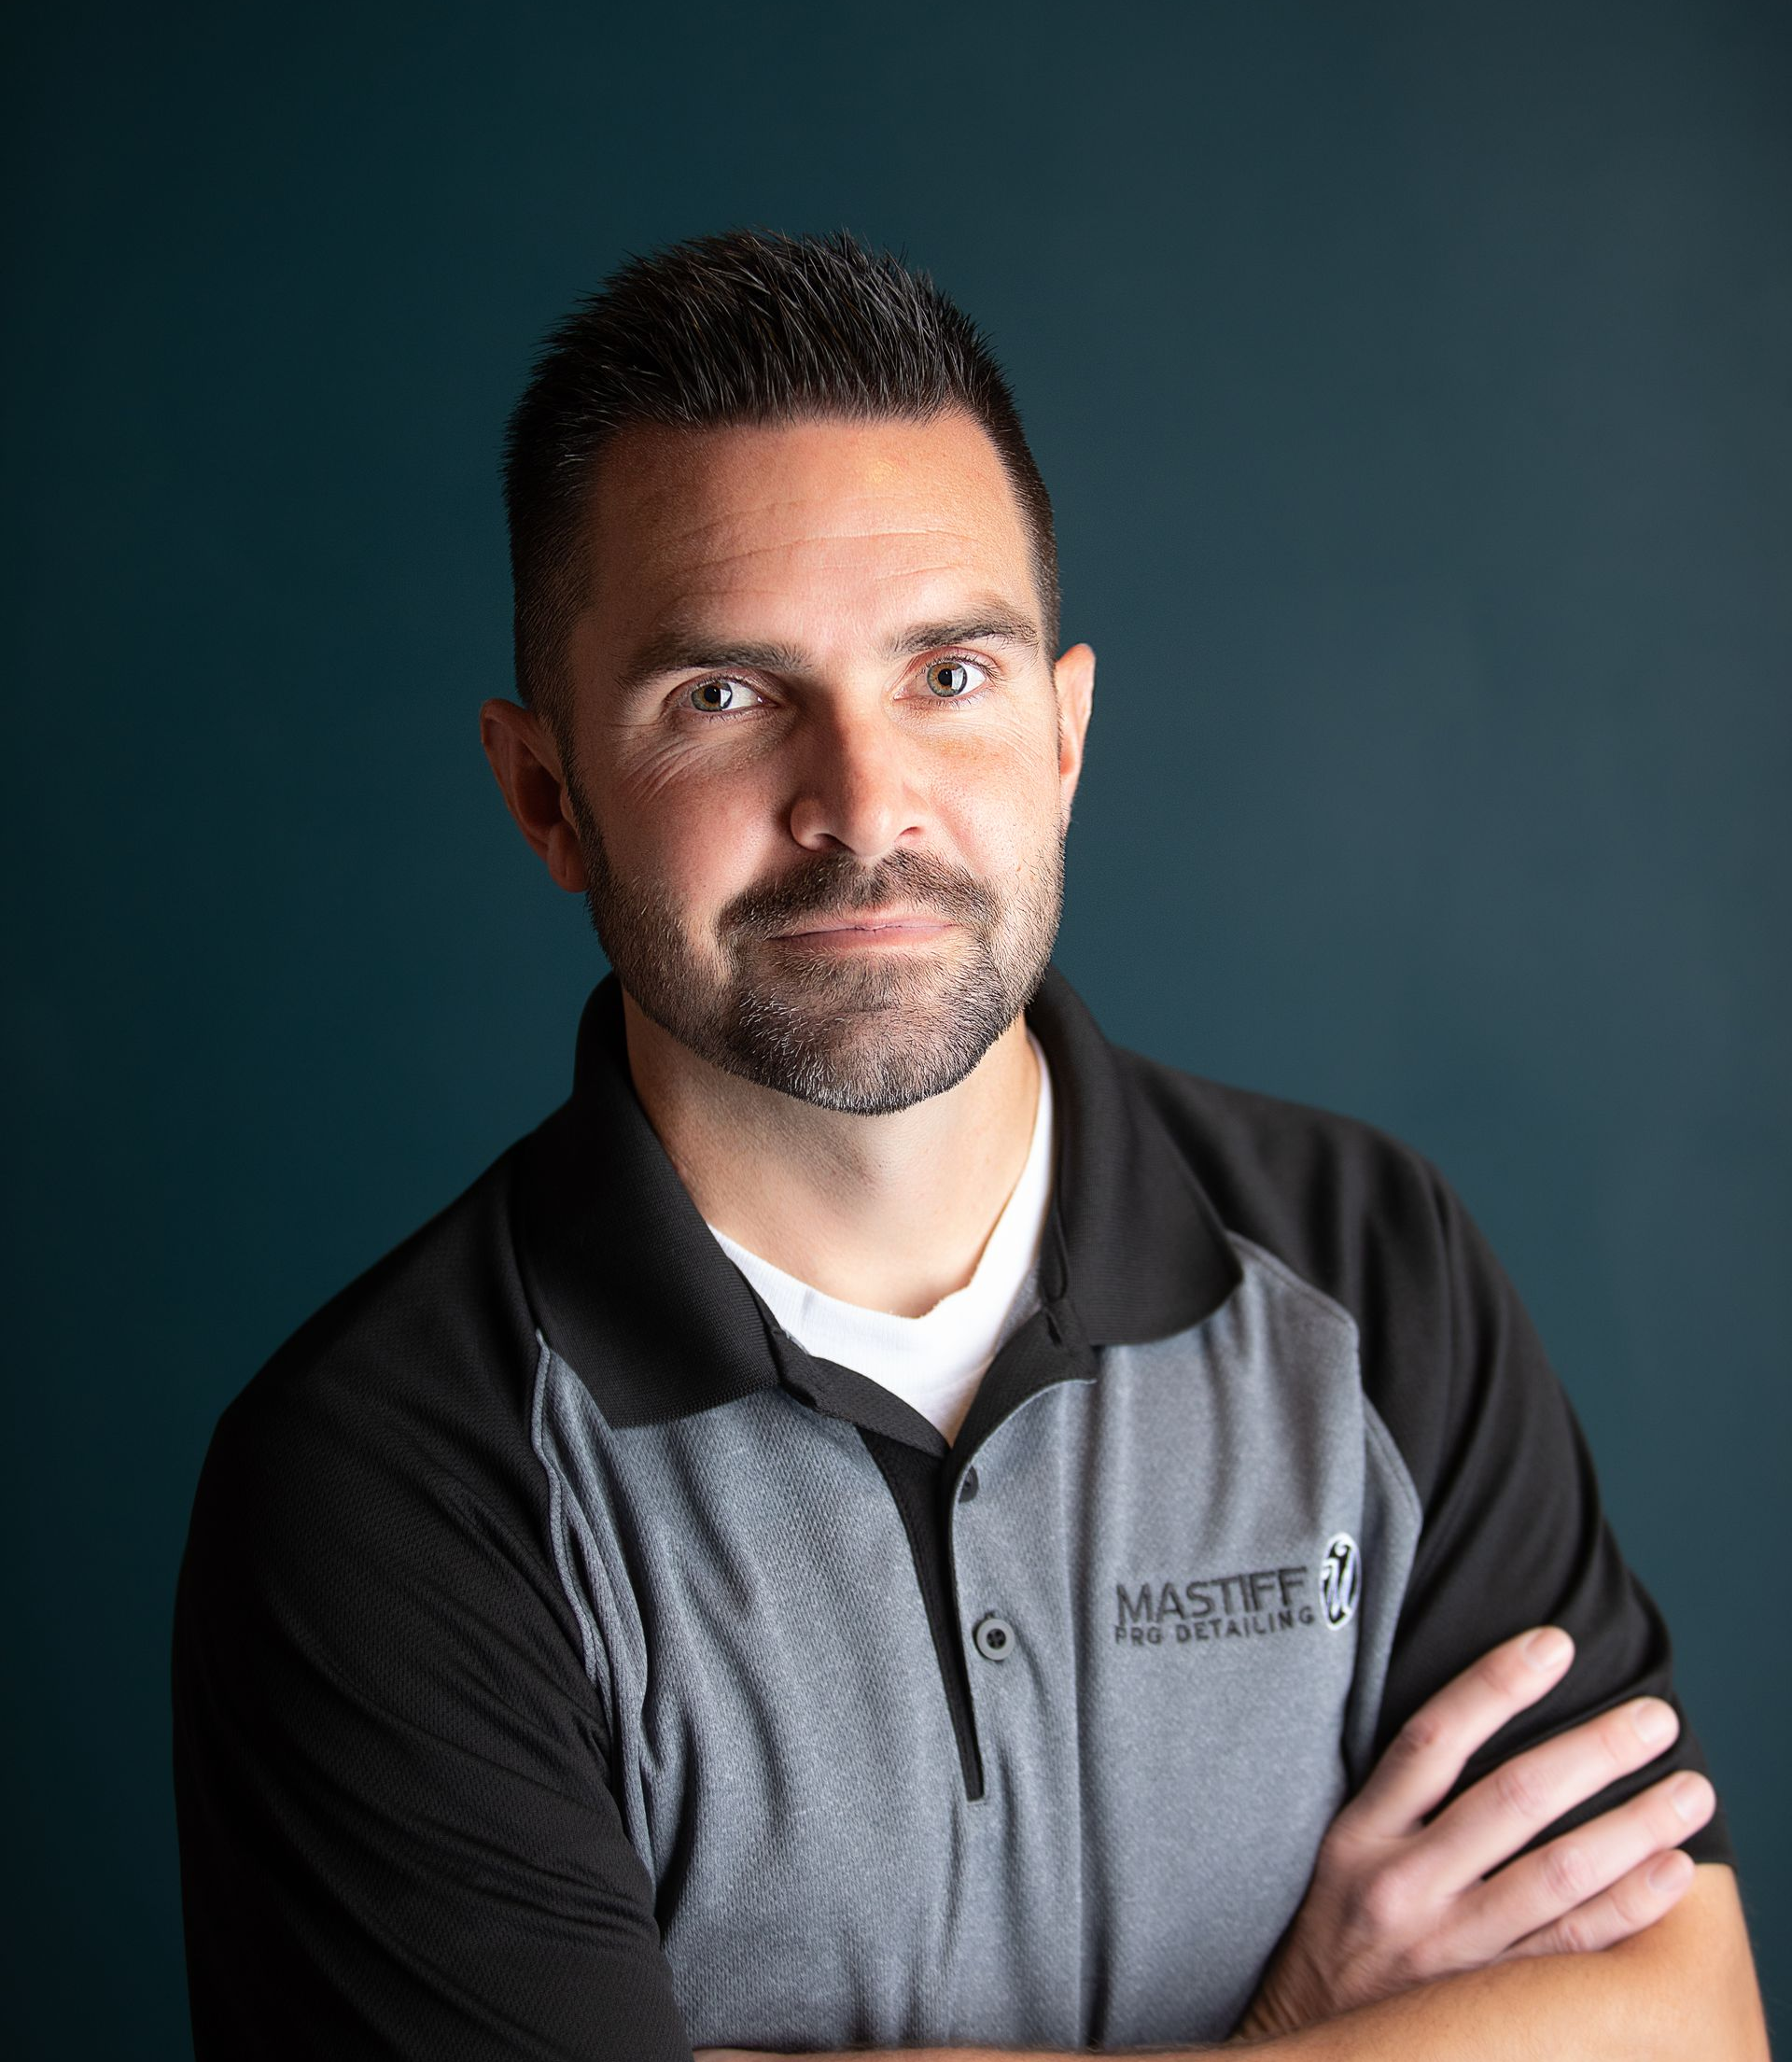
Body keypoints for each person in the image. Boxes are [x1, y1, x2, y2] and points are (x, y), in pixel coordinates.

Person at [171, 226, 1767, 2059]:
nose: (866, 806)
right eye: (725, 697)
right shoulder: (394, 1487)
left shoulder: (1368, 1275)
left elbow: (1693, 2023)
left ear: (1065, 735)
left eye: (948, 675)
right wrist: (1303, 2027)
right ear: (550, 796)